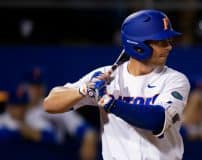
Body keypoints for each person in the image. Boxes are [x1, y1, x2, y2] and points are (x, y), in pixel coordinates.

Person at [44, 9, 190, 160]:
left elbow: (157, 120)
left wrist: (111, 103)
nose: (169, 47)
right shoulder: (108, 76)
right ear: (139, 46)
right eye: (162, 42)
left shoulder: (175, 80)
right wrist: (85, 89)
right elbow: (49, 104)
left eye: (169, 41)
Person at [23, 67, 98, 160]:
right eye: (32, 86)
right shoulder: (10, 112)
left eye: (38, 86)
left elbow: (85, 130)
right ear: (23, 87)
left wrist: (89, 140)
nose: (36, 90)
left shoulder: (53, 106)